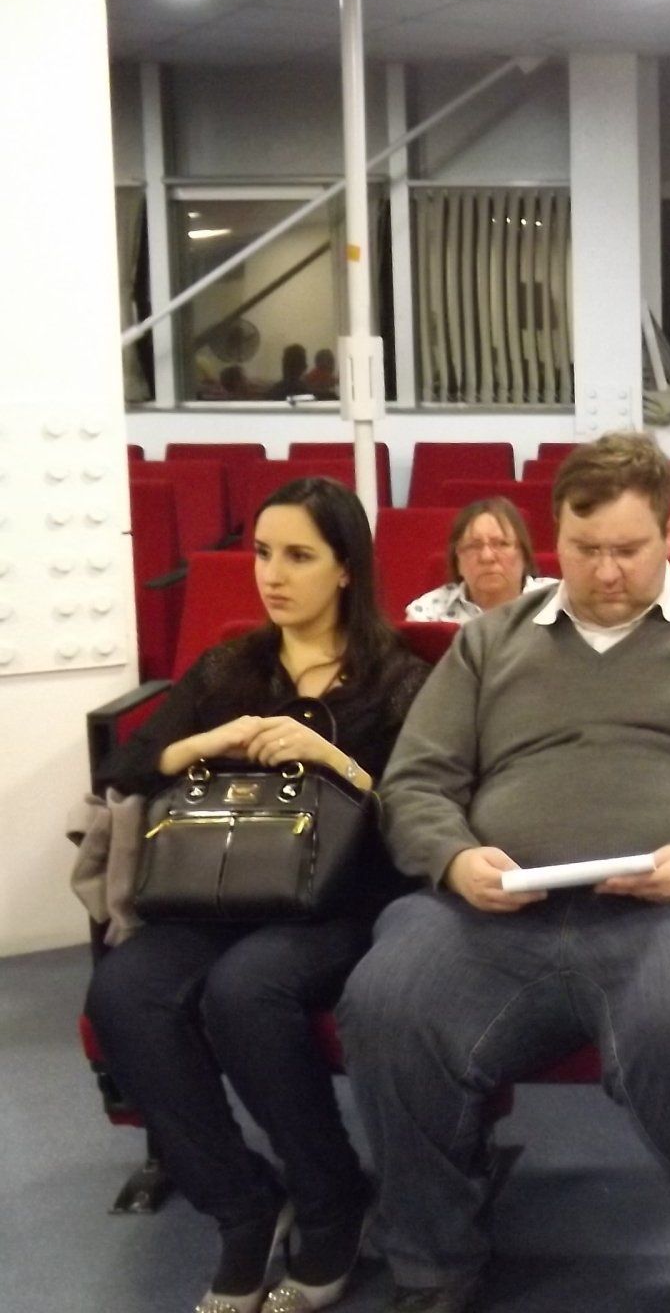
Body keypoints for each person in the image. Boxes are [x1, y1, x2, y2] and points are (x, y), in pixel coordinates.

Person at [341, 432, 670, 1313]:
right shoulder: (491, 642)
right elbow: (415, 782)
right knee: (387, 1005)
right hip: (499, 916)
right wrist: (454, 857)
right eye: (585, 549)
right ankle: (431, 1261)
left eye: (628, 549)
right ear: (554, 538)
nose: (606, 572)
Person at [84, 477, 430, 1313]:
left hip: (340, 898)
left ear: (346, 569)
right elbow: (126, 767)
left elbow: (425, 808)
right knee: (124, 991)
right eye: (264, 553)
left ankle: (332, 1197)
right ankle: (242, 1205)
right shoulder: (231, 667)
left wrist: (332, 761)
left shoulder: (398, 679)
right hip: (218, 890)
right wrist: (208, 741)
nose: (273, 574)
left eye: (299, 556)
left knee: (247, 989)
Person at [402, 497, 555, 624]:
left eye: (501, 544)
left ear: (524, 555)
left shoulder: (558, 603)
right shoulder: (427, 616)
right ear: (458, 560)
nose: (487, 557)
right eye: (473, 546)